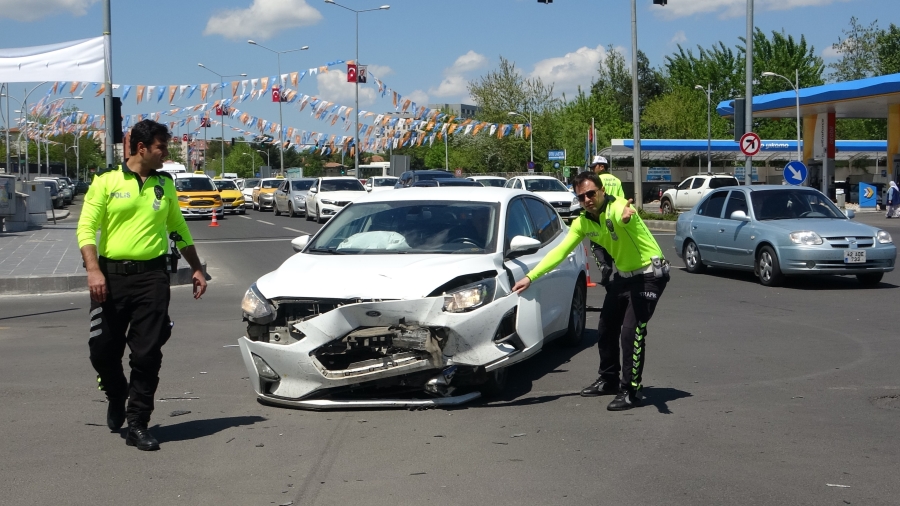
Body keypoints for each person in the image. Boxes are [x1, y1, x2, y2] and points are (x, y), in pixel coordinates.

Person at [77, 119, 207, 451]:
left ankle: (138, 422)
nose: (166, 153)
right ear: (142, 148)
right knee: (103, 350)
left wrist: (196, 268)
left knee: (147, 353)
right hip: (110, 277)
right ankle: (115, 391)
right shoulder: (106, 181)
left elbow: (178, 228)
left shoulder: (164, 184)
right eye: (162, 147)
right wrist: (93, 270)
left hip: (153, 278)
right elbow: (86, 228)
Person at [512, 171, 669, 411]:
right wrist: (530, 277)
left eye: (591, 193)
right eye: (581, 196)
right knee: (605, 328)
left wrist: (627, 217)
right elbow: (560, 252)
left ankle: (631, 391)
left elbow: (623, 214)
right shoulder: (583, 222)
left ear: (602, 191)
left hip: (649, 275)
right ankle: (609, 380)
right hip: (624, 277)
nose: (587, 199)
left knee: (631, 333)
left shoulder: (618, 207)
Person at [588, 155, 623, 285]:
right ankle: (619, 272)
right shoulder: (617, 180)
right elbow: (621, 200)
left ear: (602, 166)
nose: (592, 170)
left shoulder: (595, 181)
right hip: (614, 217)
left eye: (594, 167)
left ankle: (604, 267)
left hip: (599, 217)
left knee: (596, 244)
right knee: (614, 244)